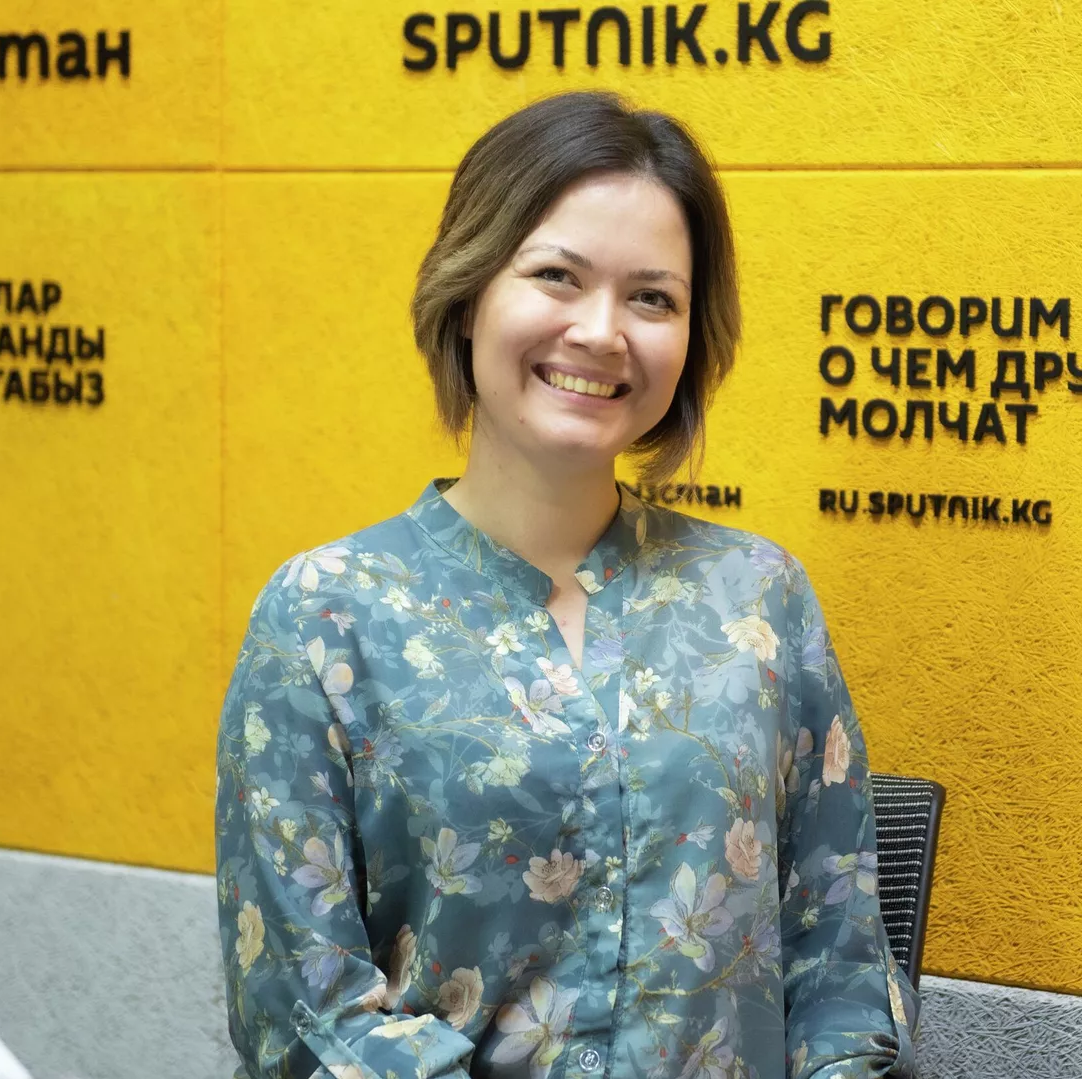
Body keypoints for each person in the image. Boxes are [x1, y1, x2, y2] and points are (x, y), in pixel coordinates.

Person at [214, 90, 918, 1079]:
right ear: (469, 294)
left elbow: (839, 969)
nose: (601, 331)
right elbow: (304, 1018)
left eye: (652, 298)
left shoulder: (759, 600)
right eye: (557, 276)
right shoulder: (324, 616)